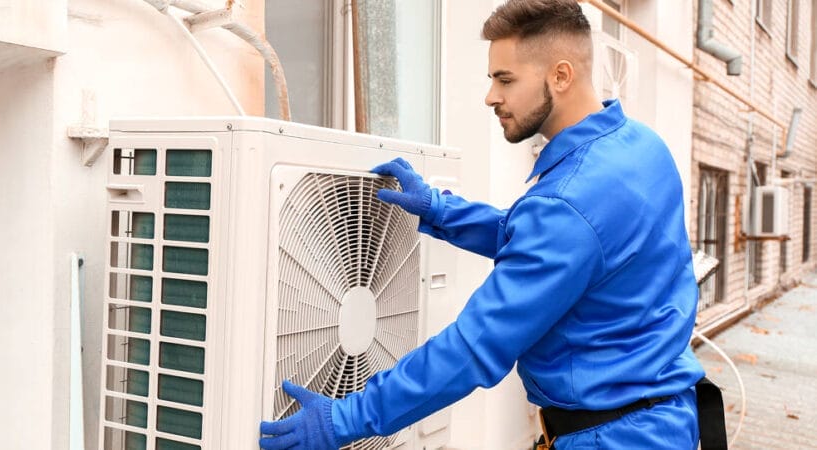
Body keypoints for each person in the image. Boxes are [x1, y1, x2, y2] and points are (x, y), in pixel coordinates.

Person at [259, 0, 706, 448]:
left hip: (611, 438)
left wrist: (344, 418)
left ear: (561, 76)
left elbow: (474, 347)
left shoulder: (567, 204)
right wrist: (441, 210)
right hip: (669, 419)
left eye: (505, 80)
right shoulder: (642, 147)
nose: (491, 96)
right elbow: (566, 247)